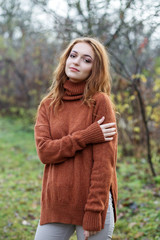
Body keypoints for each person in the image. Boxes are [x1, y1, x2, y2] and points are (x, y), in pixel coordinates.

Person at [34, 37, 118, 240]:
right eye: (73, 55)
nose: (76, 62)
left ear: (95, 69)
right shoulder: (48, 104)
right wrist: (87, 136)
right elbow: (45, 152)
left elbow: (103, 164)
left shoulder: (99, 102)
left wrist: (93, 212)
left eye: (86, 60)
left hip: (92, 204)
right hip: (57, 203)